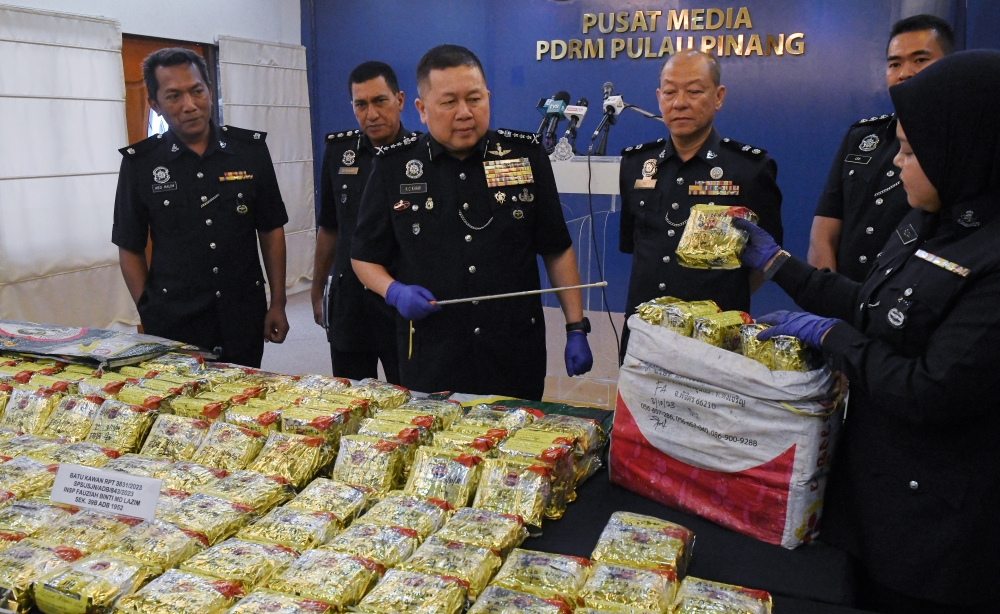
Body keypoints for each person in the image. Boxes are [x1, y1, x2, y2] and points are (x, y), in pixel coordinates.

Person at [734, 50, 1000, 613]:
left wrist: (834, 339)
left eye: (910, 152)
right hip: (872, 492)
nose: (896, 164)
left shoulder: (990, 257)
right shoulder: (928, 220)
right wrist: (781, 266)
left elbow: (929, 389)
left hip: (934, 532)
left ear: (962, 150)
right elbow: (871, 302)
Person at [351, 44, 593, 400]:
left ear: (488, 98)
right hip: (433, 351)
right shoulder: (394, 167)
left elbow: (556, 249)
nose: (465, 113)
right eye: (449, 102)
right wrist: (394, 291)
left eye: (475, 99)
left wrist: (576, 327)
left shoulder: (524, 157)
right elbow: (364, 257)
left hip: (513, 350)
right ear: (421, 109)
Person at [113, 48, 289, 368]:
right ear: (155, 104)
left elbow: (271, 228)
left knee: (245, 393)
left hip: (242, 311)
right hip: (174, 318)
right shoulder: (141, 164)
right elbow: (129, 245)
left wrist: (278, 301)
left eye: (197, 91)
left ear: (209, 90)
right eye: (173, 96)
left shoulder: (249, 151)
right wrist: (147, 310)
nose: (189, 105)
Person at [618, 50, 782, 360]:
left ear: (718, 97)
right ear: (659, 98)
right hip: (644, 335)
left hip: (714, 340)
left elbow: (768, 259)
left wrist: (725, 297)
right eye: (670, 92)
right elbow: (634, 246)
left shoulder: (749, 169)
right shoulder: (636, 164)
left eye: (694, 91)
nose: (680, 102)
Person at [808, 15, 953, 281]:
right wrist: (828, 296)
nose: (905, 73)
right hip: (846, 296)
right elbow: (823, 234)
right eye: (895, 64)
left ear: (950, 66)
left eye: (920, 60)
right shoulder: (861, 137)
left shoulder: (962, 143)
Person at [312, 61, 419, 383]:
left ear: (399, 100)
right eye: (361, 105)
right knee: (351, 393)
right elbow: (329, 227)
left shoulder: (421, 154)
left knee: (410, 393)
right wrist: (318, 290)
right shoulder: (338, 152)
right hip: (350, 301)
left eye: (380, 101)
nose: (371, 114)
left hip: (400, 297)